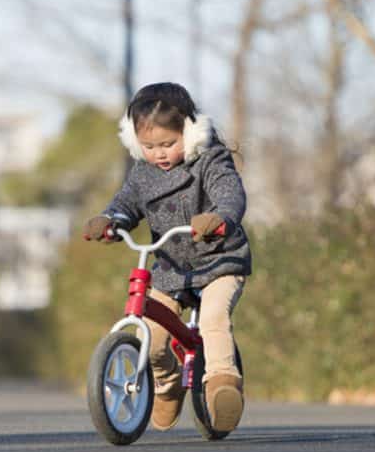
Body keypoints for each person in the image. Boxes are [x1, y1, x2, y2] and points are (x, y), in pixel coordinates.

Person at [83, 82, 252, 433]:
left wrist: (220, 217)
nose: (159, 153)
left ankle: (222, 385)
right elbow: (126, 202)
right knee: (155, 339)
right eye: (148, 146)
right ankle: (165, 384)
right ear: (134, 141)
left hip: (218, 260)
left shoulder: (209, 160)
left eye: (168, 144)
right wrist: (111, 221)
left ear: (188, 133)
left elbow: (230, 192)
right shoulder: (143, 174)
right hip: (171, 267)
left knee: (213, 318)